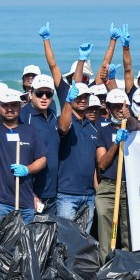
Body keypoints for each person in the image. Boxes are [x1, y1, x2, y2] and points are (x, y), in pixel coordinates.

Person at [0, 86, 47, 226]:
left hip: (25, 202)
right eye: (5, 105)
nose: (10, 109)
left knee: (23, 247)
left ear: (20, 107)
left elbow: (42, 159)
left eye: (14, 105)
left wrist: (27, 169)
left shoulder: (30, 130)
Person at [95, 89, 140, 259]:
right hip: (108, 187)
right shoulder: (102, 131)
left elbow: (138, 127)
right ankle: (106, 265)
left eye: (122, 106)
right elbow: (102, 163)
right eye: (115, 107)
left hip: (129, 186)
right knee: (106, 230)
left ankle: (129, 268)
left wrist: (129, 118)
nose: (119, 110)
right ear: (108, 108)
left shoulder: (135, 129)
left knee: (129, 231)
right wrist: (116, 144)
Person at [56, 81, 100, 231]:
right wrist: (67, 102)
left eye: (85, 96)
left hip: (88, 196)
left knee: (84, 242)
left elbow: (93, 163)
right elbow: (63, 127)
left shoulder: (93, 128)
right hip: (67, 194)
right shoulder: (65, 121)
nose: (82, 100)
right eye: (79, 97)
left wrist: (96, 190)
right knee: (65, 240)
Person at [21, 74, 61, 215]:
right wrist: (29, 192)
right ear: (31, 94)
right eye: (39, 93)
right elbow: (18, 155)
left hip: (53, 192)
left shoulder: (53, 116)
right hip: (32, 194)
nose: (44, 97)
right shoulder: (24, 116)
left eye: (48, 94)